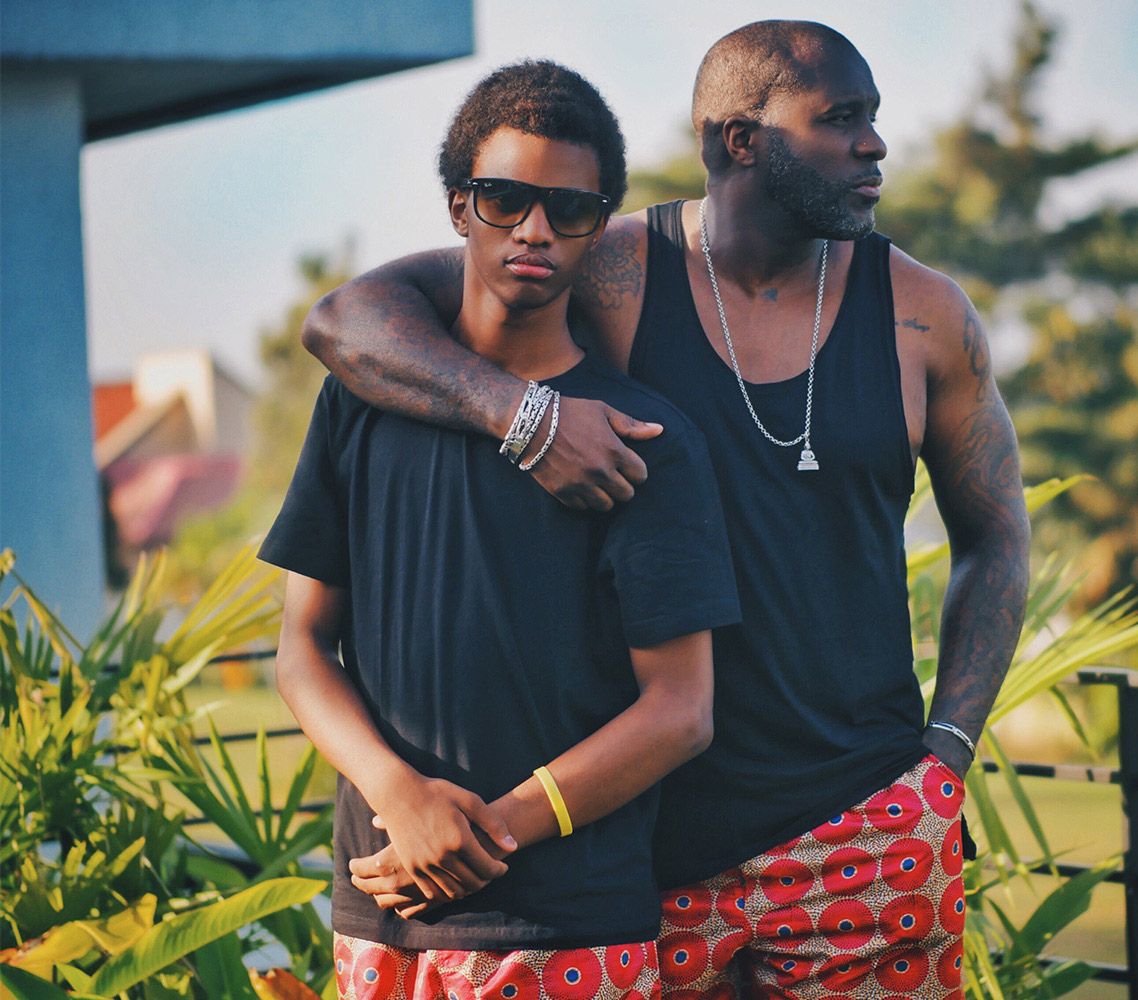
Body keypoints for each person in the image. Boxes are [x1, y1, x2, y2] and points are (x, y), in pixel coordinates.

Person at [307, 21, 1030, 1000]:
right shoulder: (607, 265)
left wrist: (945, 759)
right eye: (839, 119)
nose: (874, 145)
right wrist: (525, 418)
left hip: (863, 828)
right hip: (640, 855)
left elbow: (995, 536)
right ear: (740, 139)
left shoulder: (924, 315)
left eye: (873, 118)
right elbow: (346, 321)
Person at [263, 60, 740, 1000]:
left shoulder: (644, 440)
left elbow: (681, 711)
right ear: (459, 207)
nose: (534, 230)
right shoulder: (361, 401)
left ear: (599, 226)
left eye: (570, 209)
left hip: (567, 930)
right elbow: (302, 649)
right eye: (505, 199)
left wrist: (491, 831)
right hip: (381, 911)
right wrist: (400, 799)